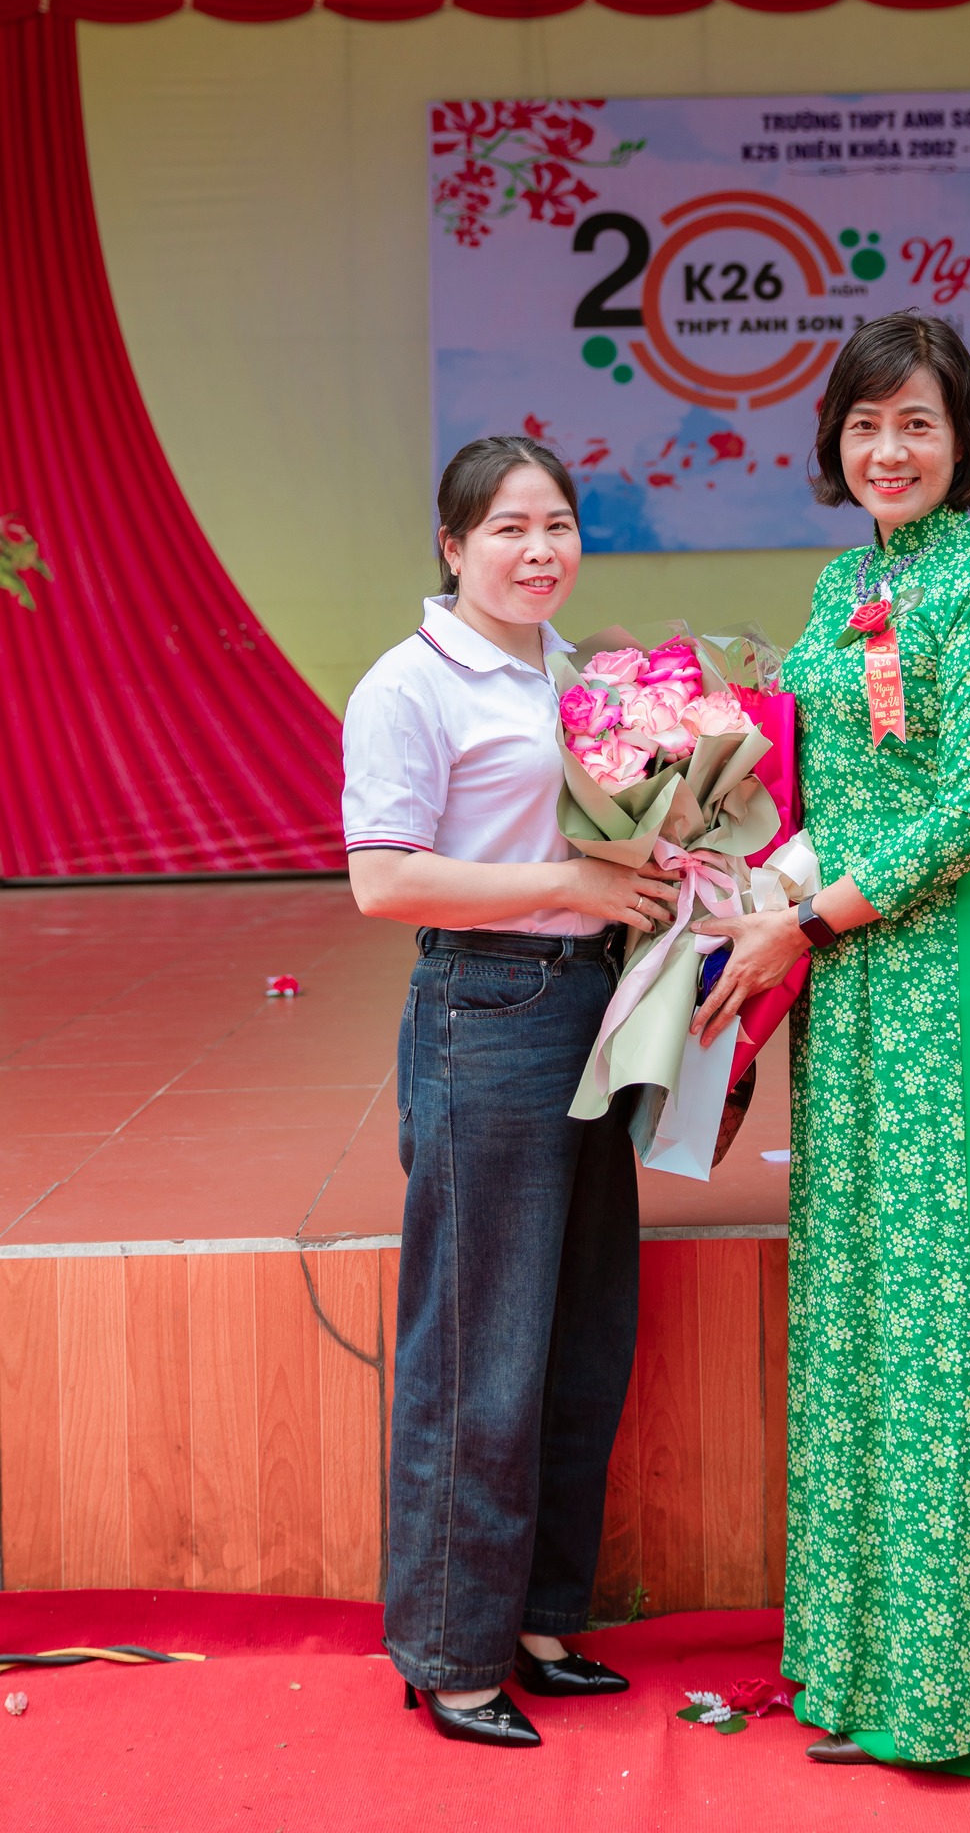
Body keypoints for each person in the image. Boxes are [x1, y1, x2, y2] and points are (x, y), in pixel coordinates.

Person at [691, 313, 970, 1779]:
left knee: (939, 1312)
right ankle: (854, 1665)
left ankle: (959, 1700)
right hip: (839, 974)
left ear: (962, 438)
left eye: (915, 424)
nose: (887, 451)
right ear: (833, 443)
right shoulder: (845, 583)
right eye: (863, 426)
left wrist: (800, 919)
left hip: (937, 971)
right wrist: (747, 896)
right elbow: (826, 790)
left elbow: (967, 808)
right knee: (853, 1301)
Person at [343, 435, 676, 1747]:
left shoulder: (582, 676)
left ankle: (539, 1620)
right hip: (487, 1011)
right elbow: (385, 880)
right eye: (507, 530)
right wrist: (569, 884)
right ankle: (452, 1652)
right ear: (453, 546)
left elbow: (605, 834)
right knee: (479, 1346)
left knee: (583, 1333)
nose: (539, 552)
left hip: (594, 1003)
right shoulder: (410, 685)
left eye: (558, 527)